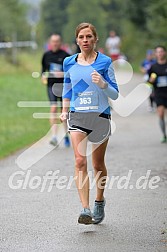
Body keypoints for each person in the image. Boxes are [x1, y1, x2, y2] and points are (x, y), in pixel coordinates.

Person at [60, 23, 119, 225]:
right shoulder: (69, 62)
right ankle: (85, 209)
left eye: (89, 37)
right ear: (76, 40)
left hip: (100, 116)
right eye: (81, 37)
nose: (85, 40)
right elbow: (67, 89)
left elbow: (115, 94)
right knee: (79, 161)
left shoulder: (104, 62)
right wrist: (64, 110)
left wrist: (103, 84)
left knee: (97, 163)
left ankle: (99, 201)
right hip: (77, 116)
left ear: (95, 39)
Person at [41, 34, 70, 147]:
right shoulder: (46, 55)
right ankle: (54, 137)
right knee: (53, 109)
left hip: (64, 86)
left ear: (60, 42)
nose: (55, 43)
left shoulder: (66, 56)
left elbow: (72, 72)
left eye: (57, 41)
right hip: (51, 86)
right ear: (50, 42)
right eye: (53, 41)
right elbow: (43, 70)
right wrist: (43, 76)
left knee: (64, 111)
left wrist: (62, 74)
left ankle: (66, 135)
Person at [148, 46, 167, 143]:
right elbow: (149, 82)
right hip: (159, 93)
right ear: (155, 54)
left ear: (165, 53)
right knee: (161, 114)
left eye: (161, 51)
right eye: (158, 52)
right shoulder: (153, 67)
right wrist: (151, 81)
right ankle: (164, 135)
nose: (160, 53)